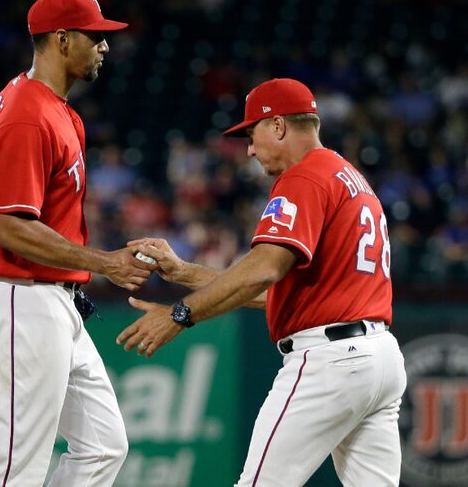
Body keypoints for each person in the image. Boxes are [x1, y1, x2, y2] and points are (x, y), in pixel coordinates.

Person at [117, 78, 407, 486]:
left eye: (252, 134)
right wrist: (186, 273)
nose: (250, 149)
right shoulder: (347, 176)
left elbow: (264, 268)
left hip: (330, 362)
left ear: (279, 127)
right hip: (379, 357)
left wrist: (179, 315)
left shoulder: (303, 177)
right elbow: (284, 290)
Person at [0, 0, 156, 487]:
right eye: (96, 36)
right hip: (19, 297)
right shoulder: (28, 114)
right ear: (62, 39)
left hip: (50, 300)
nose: (105, 46)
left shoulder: (52, 107)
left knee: (103, 446)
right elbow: (10, 228)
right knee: (17, 465)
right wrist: (104, 262)